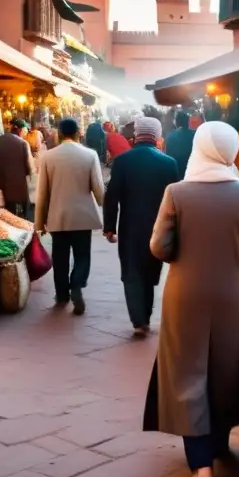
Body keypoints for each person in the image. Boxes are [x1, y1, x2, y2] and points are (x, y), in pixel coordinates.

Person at [143, 121, 239, 477]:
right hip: (234, 293)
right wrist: (234, 257)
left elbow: (159, 247)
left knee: (187, 370)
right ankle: (219, 445)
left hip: (185, 294)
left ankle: (201, 464)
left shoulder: (177, 193)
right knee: (227, 366)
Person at [103, 117, 179, 336]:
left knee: (132, 272)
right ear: (156, 136)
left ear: (136, 135)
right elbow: (176, 200)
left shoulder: (123, 161)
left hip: (130, 227)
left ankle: (139, 321)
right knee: (150, 271)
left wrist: (110, 226)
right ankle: (144, 314)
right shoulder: (168, 163)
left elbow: (112, 196)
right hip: (159, 228)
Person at [34, 117, 105, 315]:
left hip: (58, 215)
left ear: (58, 133)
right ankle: (77, 283)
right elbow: (98, 190)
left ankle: (63, 294)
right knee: (83, 255)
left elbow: (42, 193)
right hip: (83, 216)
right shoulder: (89, 155)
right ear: (77, 133)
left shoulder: (48, 157)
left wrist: (39, 222)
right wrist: (102, 202)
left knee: (60, 257)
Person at [0, 117, 35, 220]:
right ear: (20, 130)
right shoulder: (23, 143)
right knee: (27, 215)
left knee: (9, 214)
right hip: (21, 187)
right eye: (25, 131)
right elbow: (30, 168)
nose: (26, 134)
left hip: (5, 185)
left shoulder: (0, 141)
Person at [164, 110, 195, 179]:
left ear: (176, 122)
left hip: (175, 173)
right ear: (188, 122)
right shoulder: (195, 135)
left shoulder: (170, 136)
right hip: (191, 173)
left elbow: (167, 154)